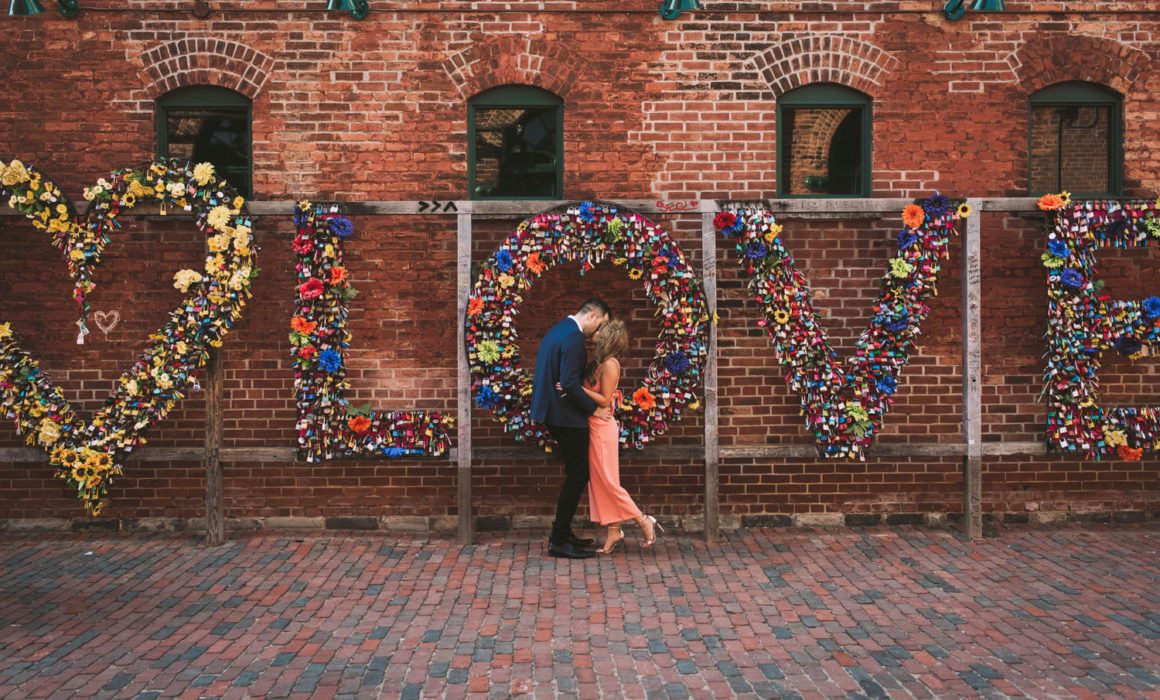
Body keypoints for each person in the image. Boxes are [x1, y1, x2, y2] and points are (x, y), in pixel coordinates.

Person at [530, 298, 611, 559]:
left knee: (576, 473)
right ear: (593, 315)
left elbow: (563, 381)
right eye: (601, 325)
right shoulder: (575, 338)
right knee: (578, 474)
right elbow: (570, 384)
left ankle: (564, 534)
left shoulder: (558, 330)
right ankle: (559, 539)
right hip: (565, 416)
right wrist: (593, 409)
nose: (598, 333)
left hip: (552, 412)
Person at [576, 320, 661, 553]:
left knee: (608, 482)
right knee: (601, 481)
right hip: (594, 426)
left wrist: (575, 387)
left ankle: (643, 519)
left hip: (603, 429)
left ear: (607, 338)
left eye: (599, 332)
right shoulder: (598, 363)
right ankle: (614, 530)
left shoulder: (611, 364)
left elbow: (604, 399)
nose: (594, 334)